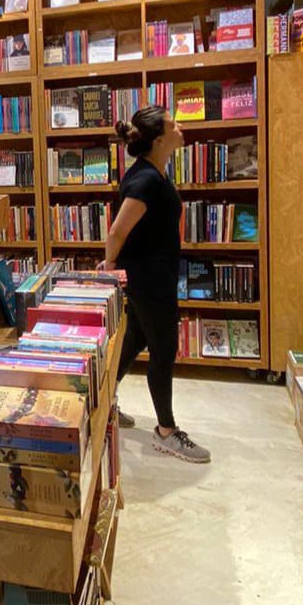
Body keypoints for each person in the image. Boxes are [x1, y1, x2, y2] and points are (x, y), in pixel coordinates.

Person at [97, 105, 210, 464]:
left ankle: (102, 403)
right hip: (149, 280)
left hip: (152, 276)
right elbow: (117, 231)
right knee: (163, 350)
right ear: (159, 140)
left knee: (136, 338)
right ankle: (166, 431)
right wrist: (110, 264)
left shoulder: (153, 172)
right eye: (173, 125)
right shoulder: (145, 181)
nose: (180, 127)